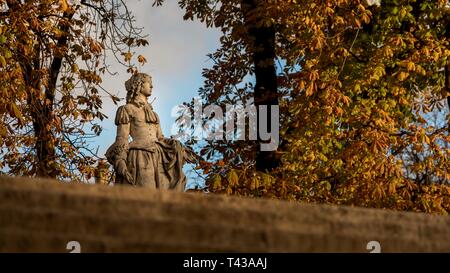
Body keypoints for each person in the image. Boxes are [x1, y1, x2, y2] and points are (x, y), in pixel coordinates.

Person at [105, 73, 191, 191]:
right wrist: (120, 160)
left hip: (158, 156)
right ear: (139, 85)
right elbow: (122, 138)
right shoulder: (127, 109)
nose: (152, 87)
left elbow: (160, 137)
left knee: (163, 195)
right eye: (149, 84)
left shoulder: (154, 114)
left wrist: (175, 145)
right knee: (145, 192)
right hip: (140, 156)